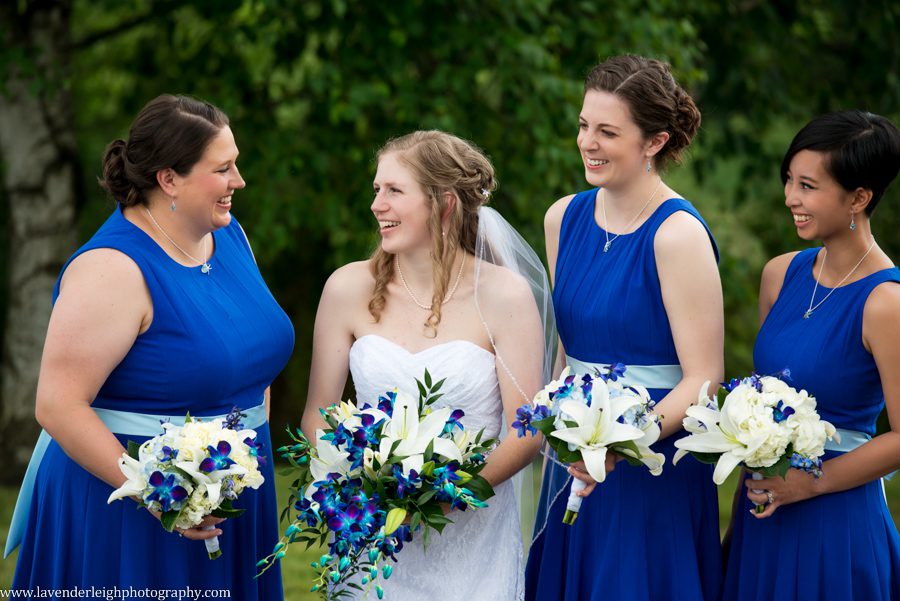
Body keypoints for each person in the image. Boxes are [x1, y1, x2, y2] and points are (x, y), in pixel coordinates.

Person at [7, 94, 294, 599]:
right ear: (168, 179)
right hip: (130, 508)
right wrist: (160, 495)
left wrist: (239, 467)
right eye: (223, 168)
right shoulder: (111, 269)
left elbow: (253, 367)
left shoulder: (229, 237)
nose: (238, 182)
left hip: (233, 492)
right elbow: (57, 404)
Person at [301, 130, 551, 600]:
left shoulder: (504, 295)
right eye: (376, 190)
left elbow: (527, 427)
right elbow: (318, 413)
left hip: (472, 539)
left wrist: (450, 494)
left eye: (394, 191)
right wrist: (360, 483)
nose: (377, 204)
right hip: (371, 536)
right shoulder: (346, 288)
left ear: (445, 203)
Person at [524, 55, 725, 601]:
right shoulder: (561, 218)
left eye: (608, 131)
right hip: (575, 450)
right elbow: (569, 354)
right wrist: (562, 430)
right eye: (584, 125)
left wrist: (621, 444)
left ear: (654, 142)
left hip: (652, 465)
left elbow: (703, 377)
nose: (588, 142)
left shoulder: (677, 235)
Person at [722, 110, 900, 600]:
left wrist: (813, 484)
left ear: (859, 198)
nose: (790, 199)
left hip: (835, 521)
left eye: (808, 186)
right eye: (788, 180)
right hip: (762, 512)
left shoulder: (886, 302)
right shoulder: (780, 274)